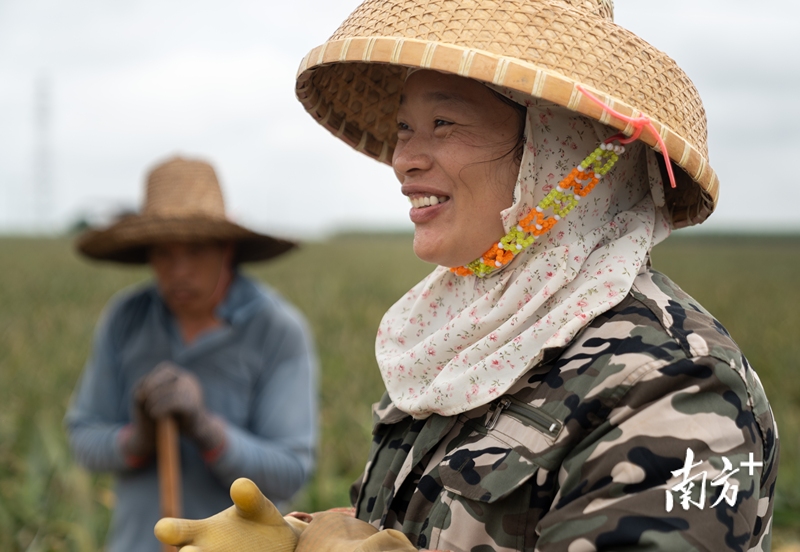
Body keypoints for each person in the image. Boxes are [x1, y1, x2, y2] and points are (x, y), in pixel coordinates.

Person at [155, 1, 779, 550]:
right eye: (403, 128)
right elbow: (430, 524)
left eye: (443, 123)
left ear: (560, 148)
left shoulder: (670, 383)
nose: (404, 159)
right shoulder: (467, 339)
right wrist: (296, 538)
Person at [65, 156, 318, 552]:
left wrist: (207, 430)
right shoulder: (126, 318)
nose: (179, 270)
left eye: (196, 251)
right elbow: (84, 438)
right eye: (164, 254)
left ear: (227, 249)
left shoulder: (276, 329)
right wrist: (138, 438)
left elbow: (289, 473)